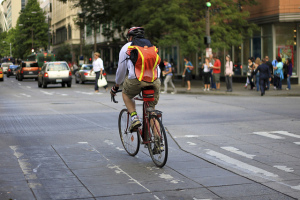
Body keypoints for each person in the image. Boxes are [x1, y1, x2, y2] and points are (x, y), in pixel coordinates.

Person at [110, 27, 161, 132]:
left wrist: (116, 86)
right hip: (155, 80)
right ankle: (158, 143)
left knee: (126, 94)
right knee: (151, 111)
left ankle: (134, 118)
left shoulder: (127, 47)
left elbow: (121, 70)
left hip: (137, 80)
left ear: (130, 37)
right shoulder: (150, 46)